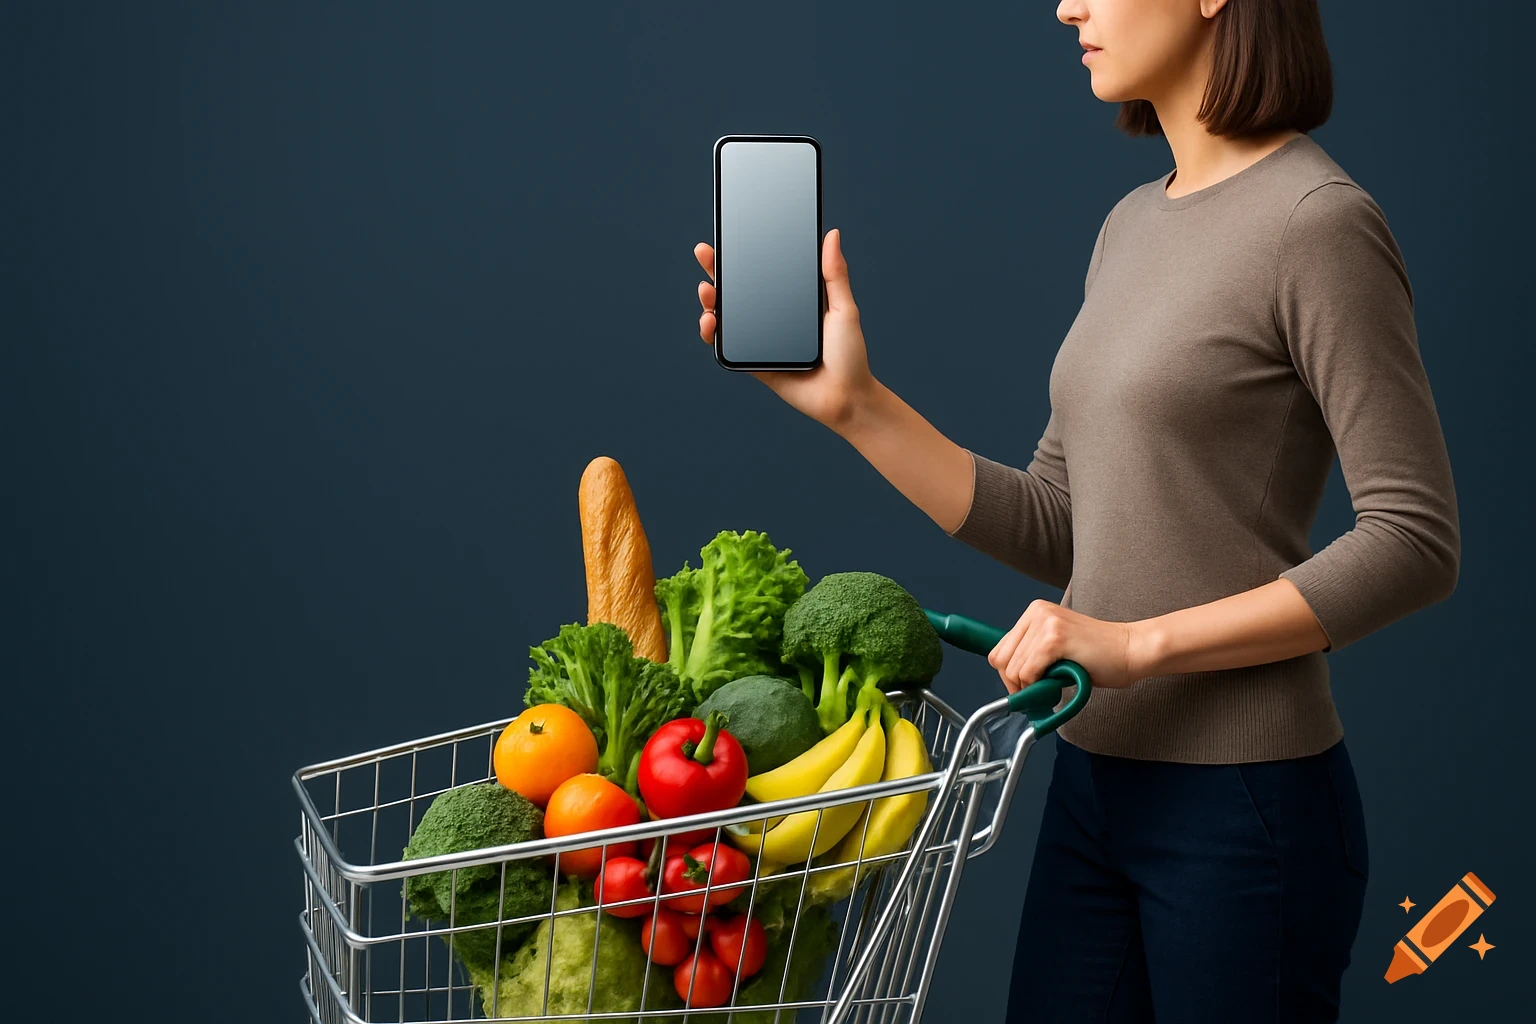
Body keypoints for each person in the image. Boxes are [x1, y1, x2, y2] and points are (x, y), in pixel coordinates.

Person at [691, 0, 1459, 1020]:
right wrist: (858, 408)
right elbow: (1061, 519)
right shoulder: (1133, 223)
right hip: (1095, 787)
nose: (1068, 6)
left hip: (1245, 808)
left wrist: (1135, 645)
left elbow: (1414, 541)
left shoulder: (1318, 224)